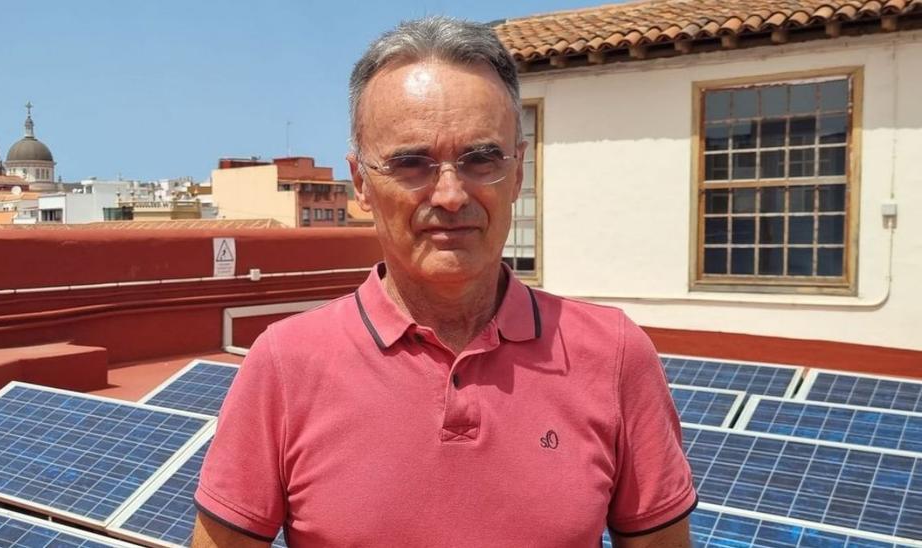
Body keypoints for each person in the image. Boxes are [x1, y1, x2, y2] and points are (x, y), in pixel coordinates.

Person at [192, 16, 695, 547]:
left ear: (518, 172)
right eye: (412, 163)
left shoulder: (615, 356)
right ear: (361, 183)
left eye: (481, 159)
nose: (451, 195)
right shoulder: (285, 366)